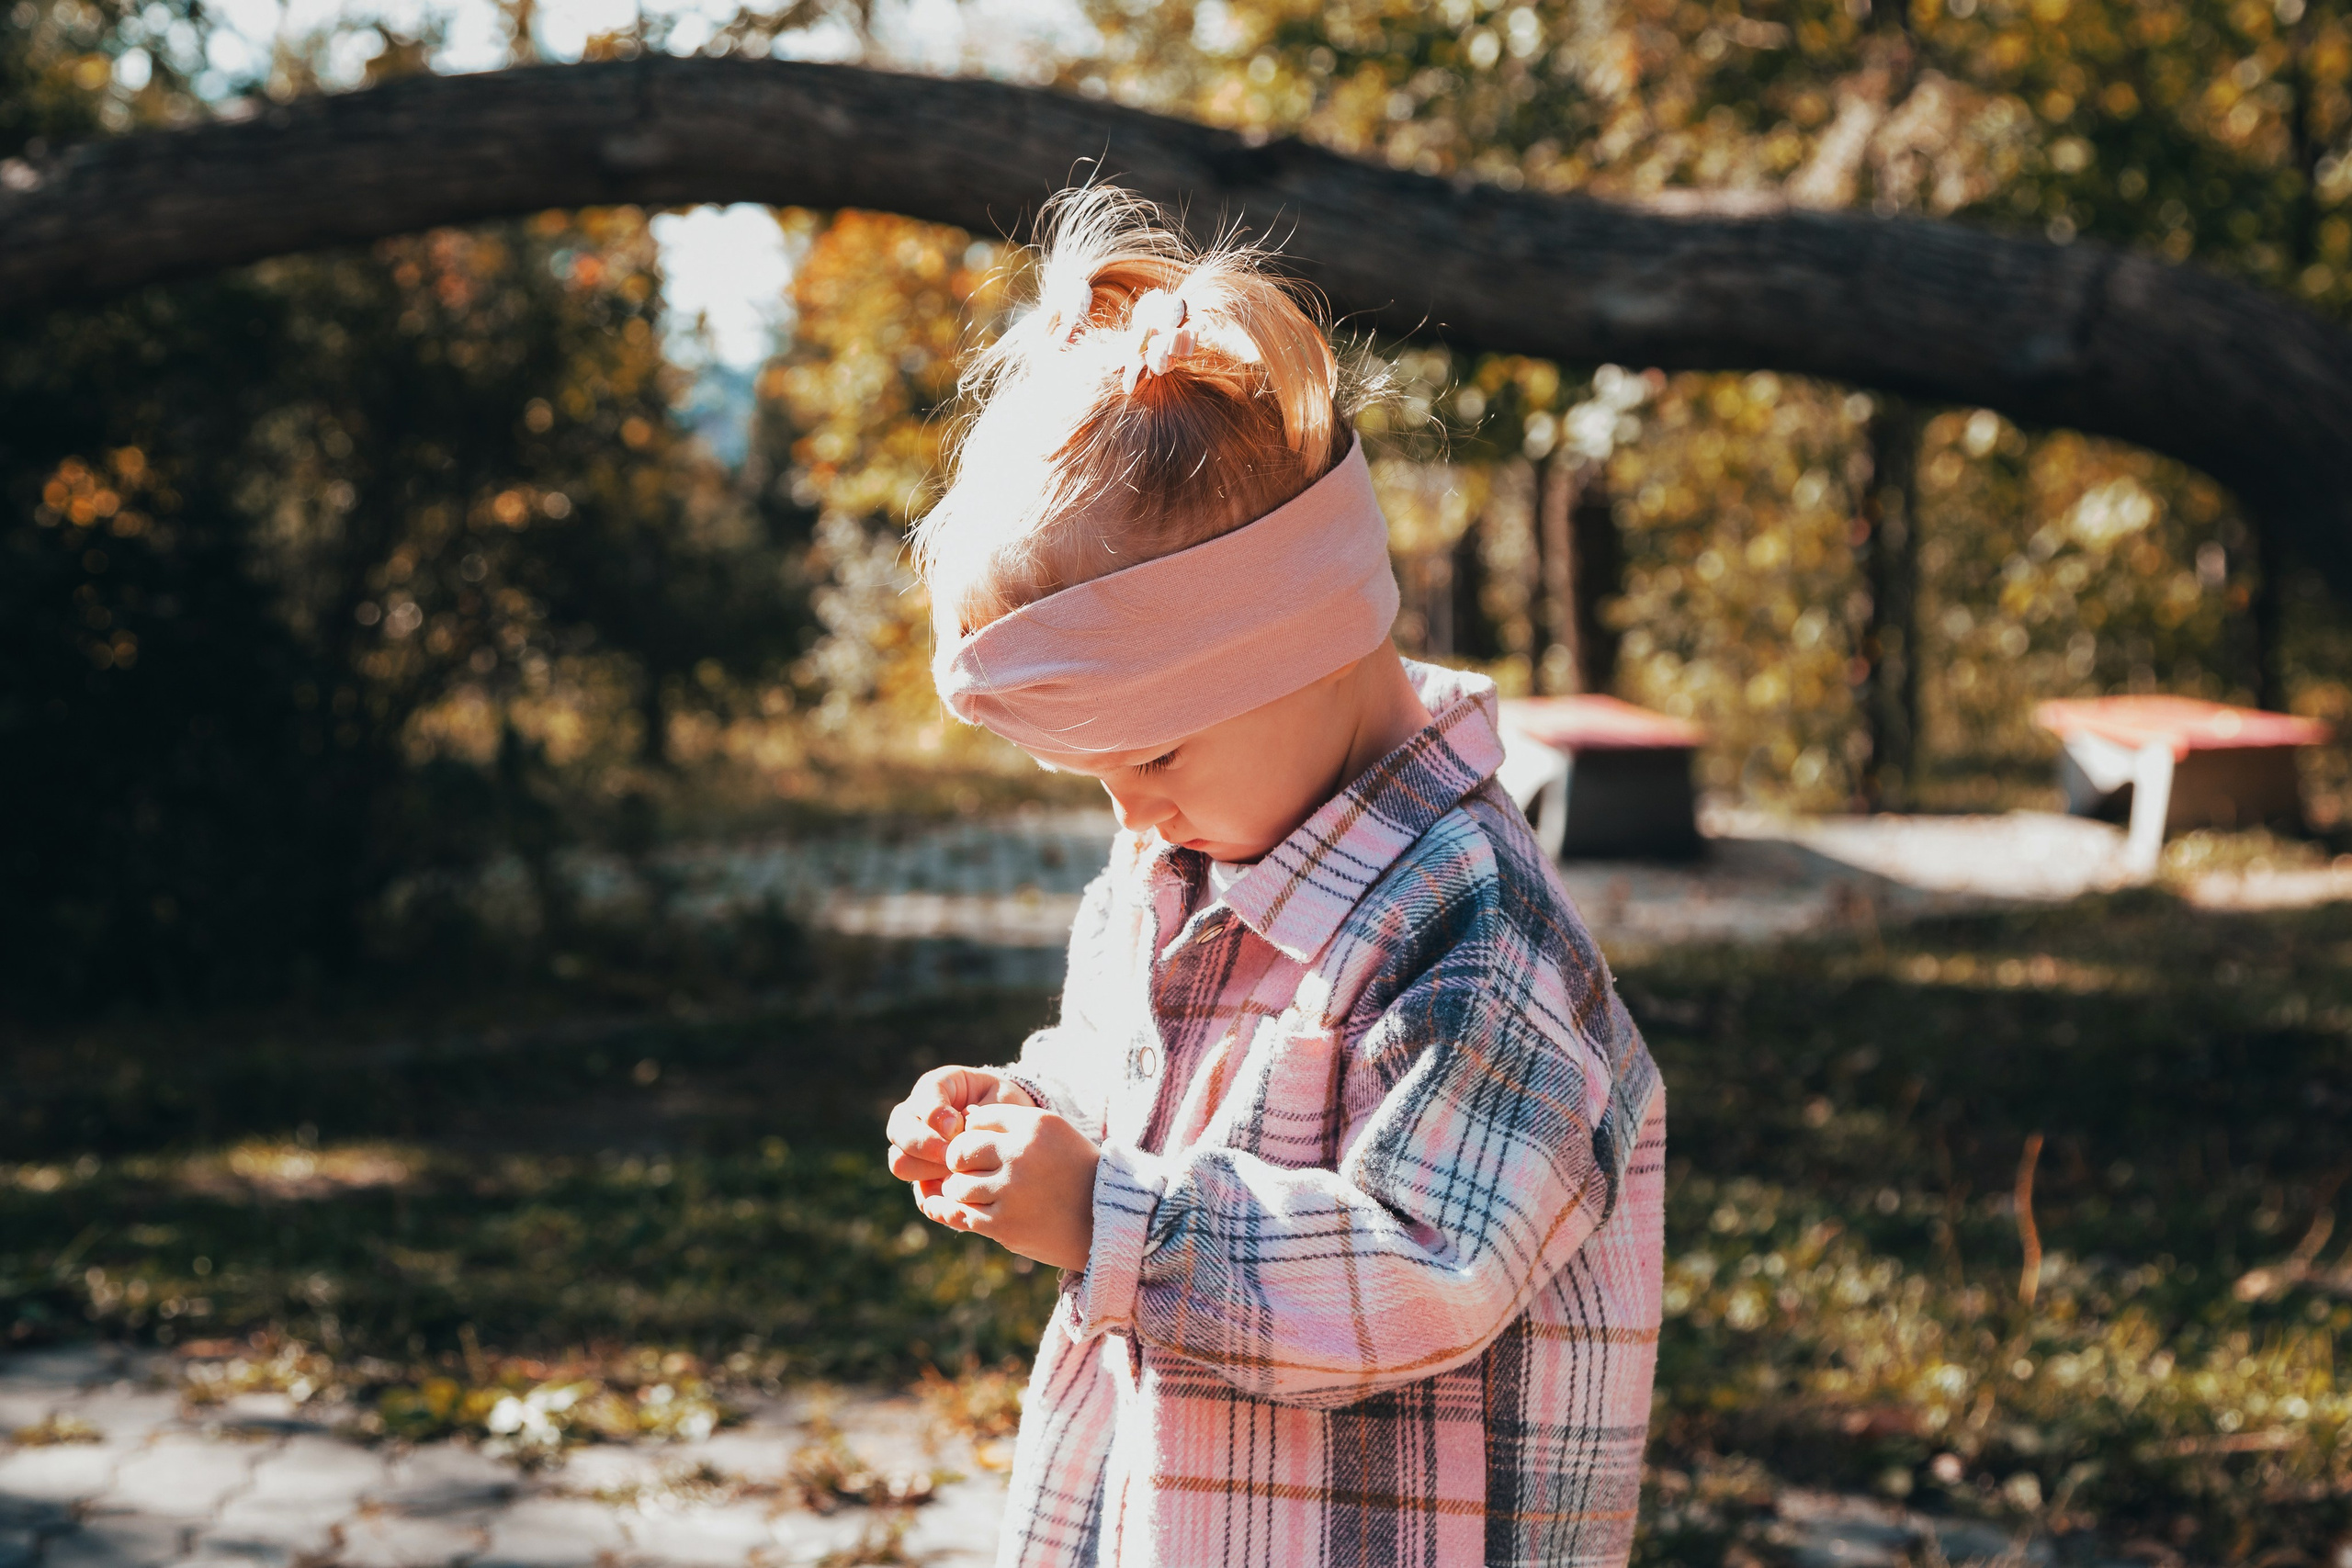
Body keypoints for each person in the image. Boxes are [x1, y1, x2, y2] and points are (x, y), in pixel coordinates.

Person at [884, 185, 1665, 1568]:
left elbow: (1435, 1270)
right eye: (1100, 776)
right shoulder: (1170, 861)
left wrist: (1109, 1219)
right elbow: (1124, 1081)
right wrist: (1029, 1116)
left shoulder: (1475, 934)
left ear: (1302, 644)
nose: (1134, 809)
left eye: (1158, 749)